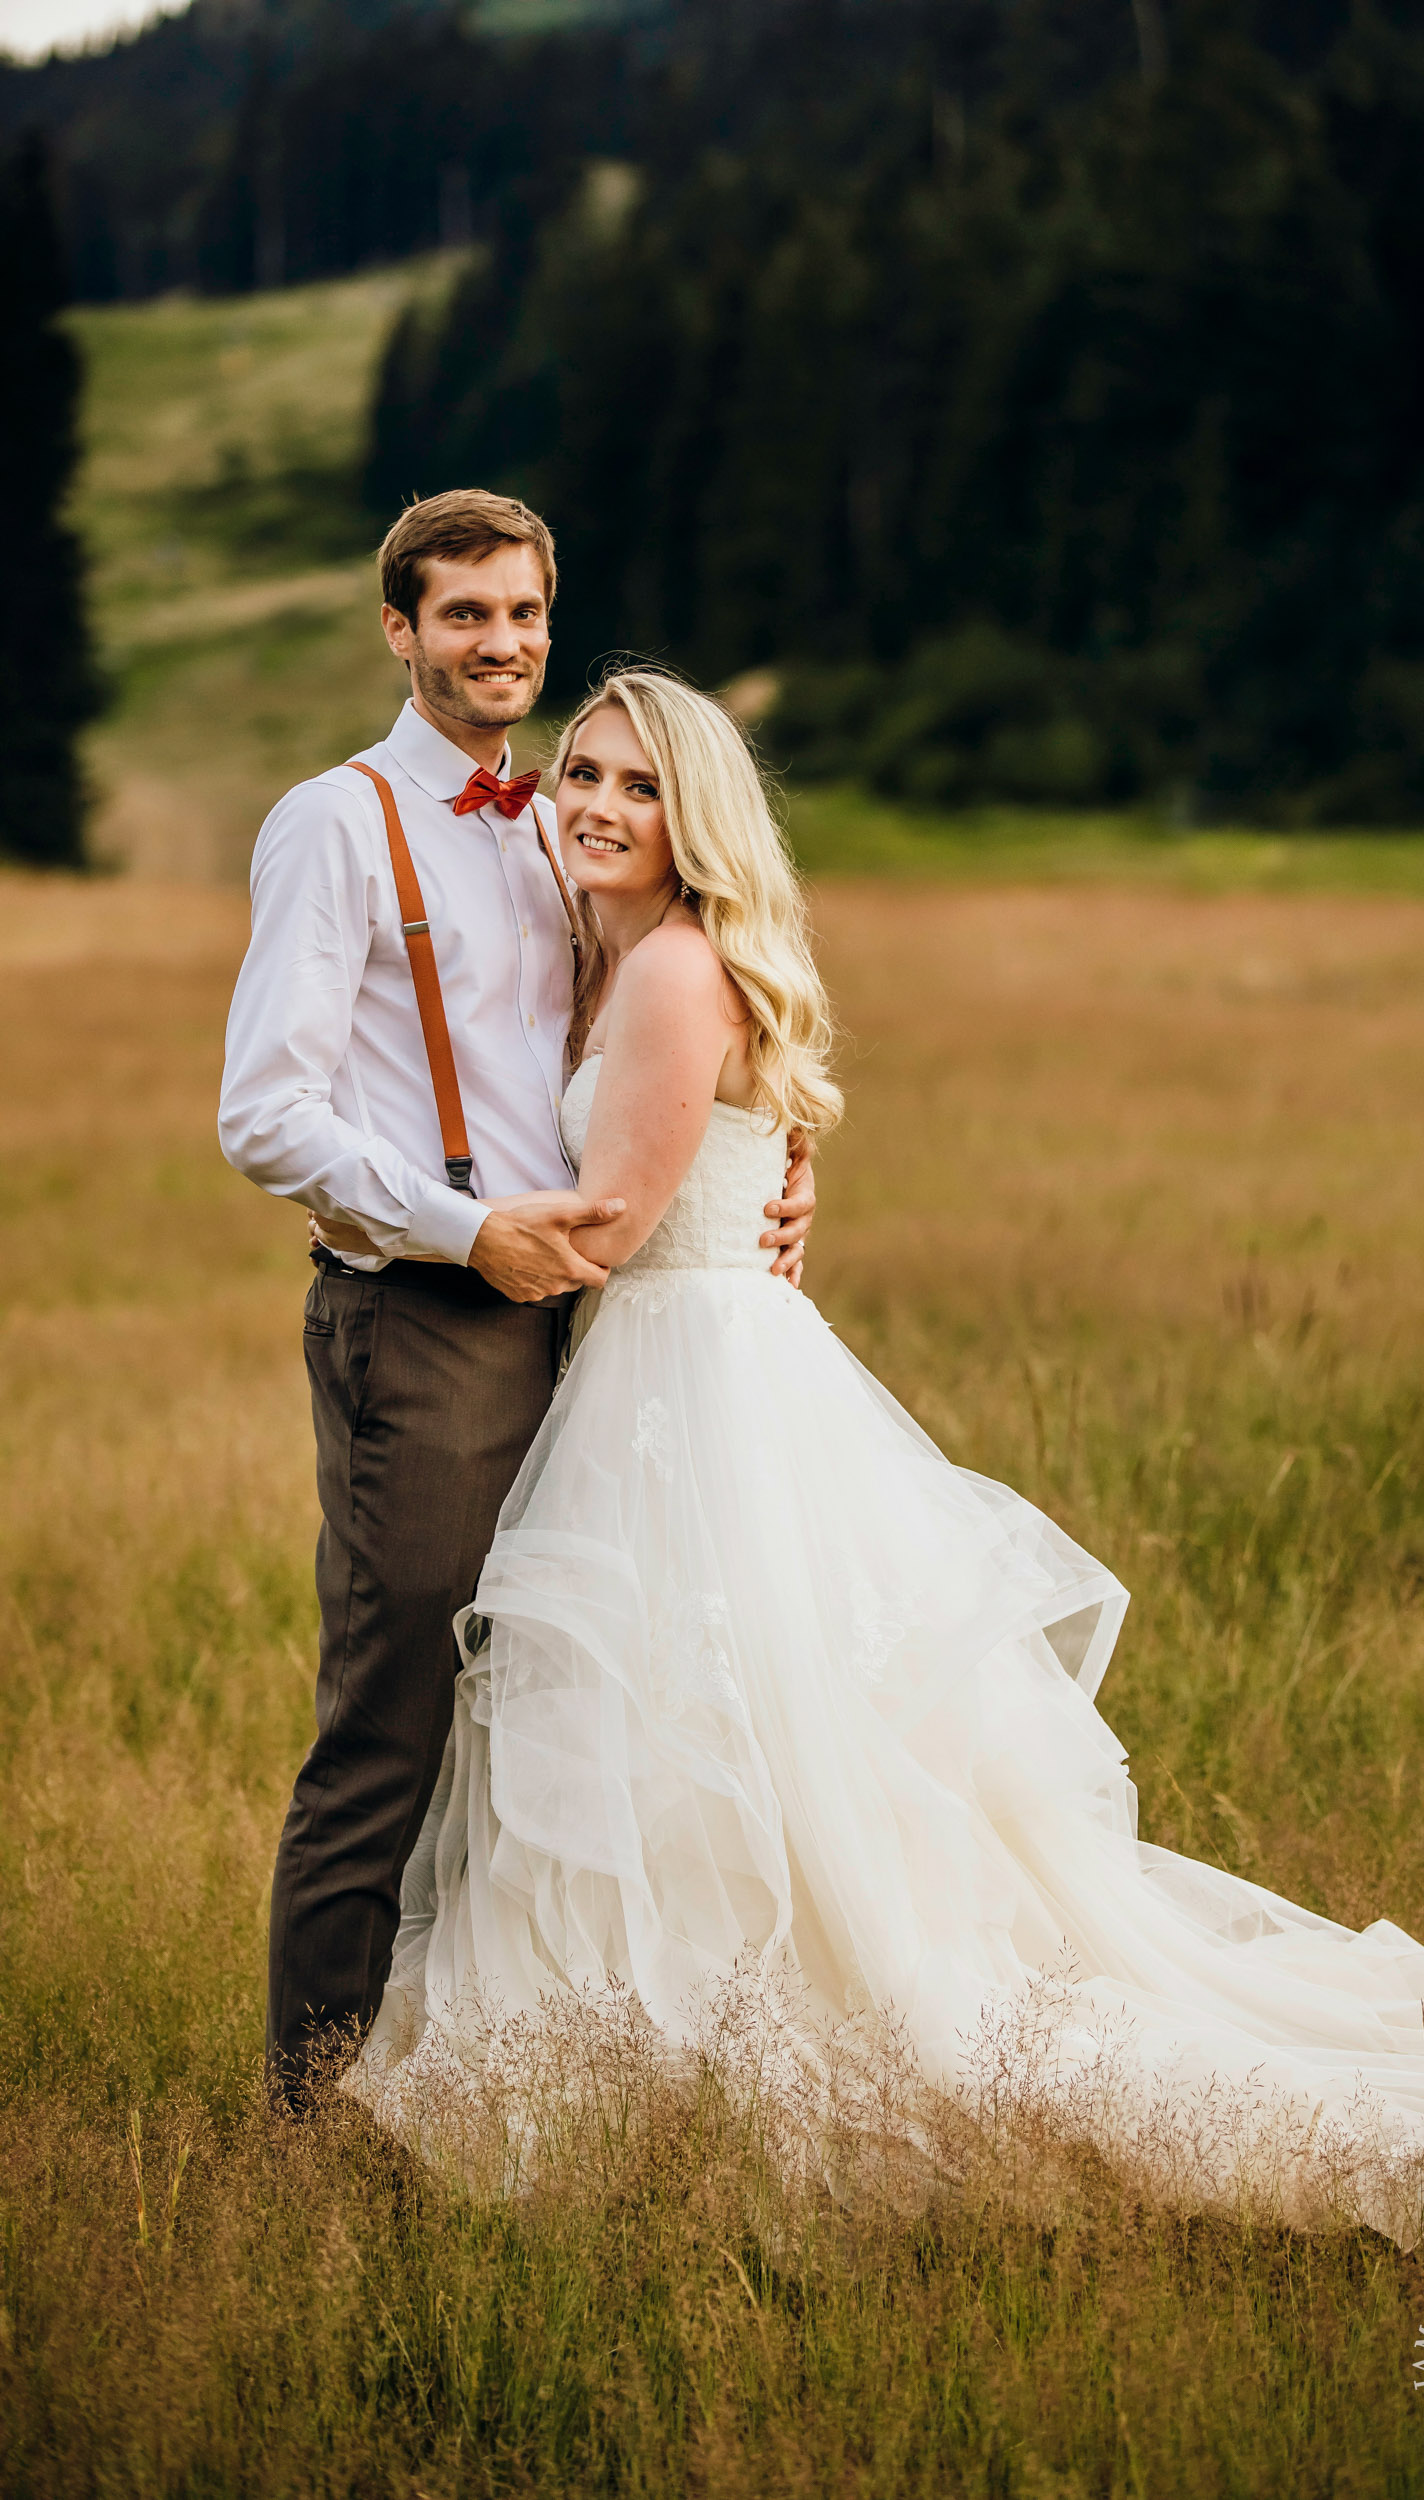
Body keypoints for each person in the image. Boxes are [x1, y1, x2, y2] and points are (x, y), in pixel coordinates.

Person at [342, 665, 1424, 2247]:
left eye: (640, 786)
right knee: (695, 1749)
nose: (600, 808)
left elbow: (609, 1228)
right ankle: (641, 2053)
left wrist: (403, 1233)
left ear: (700, 820)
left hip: (690, 1389)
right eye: (583, 778)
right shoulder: (613, 961)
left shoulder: (676, 974)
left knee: (709, 1739)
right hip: (680, 1367)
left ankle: (684, 2066)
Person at [218, 493, 815, 2109]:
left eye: (526, 613)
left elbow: (687, 1002)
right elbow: (262, 1114)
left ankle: (499, 2076)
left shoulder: (564, 823)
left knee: (558, 1715)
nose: (503, 644)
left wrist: (774, 1156)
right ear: (400, 631)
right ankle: (310, 2115)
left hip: (598, 1328)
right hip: (425, 1320)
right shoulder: (334, 825)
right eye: (466, 614)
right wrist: (463, 1230)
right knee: (394, 1723)